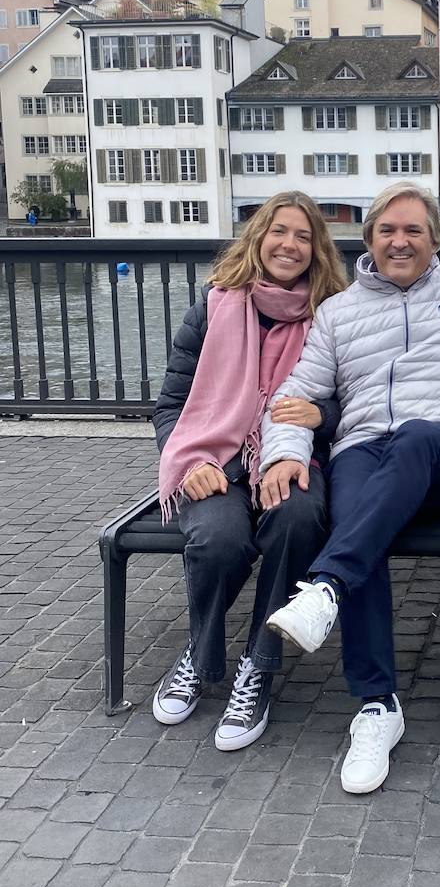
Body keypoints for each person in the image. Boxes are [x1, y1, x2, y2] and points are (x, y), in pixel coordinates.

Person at [259, 183, 440, 794]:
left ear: (435, 238)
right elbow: (294, 397)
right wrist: (283, 456)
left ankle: (323, 586)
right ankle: (377, 707)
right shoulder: (338, 312)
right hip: (362, 446)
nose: (400, 241)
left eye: (413, 230)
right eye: (387, 231)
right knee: (354, 511)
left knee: (412, 439)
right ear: (369, 241)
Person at [151, 191, 347, 751]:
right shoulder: (214, 306)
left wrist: (321, 414)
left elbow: (355, 400)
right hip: (213, 458)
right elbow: (171, 404)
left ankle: (258, 665)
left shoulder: (330, 313)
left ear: (317, 250)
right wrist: (190, 463)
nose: (290, 244)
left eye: (304, 236)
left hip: (295, 454)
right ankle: (201, 651)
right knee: (217, 539)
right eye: (279, 231)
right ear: (259, 238)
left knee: (299, 519)